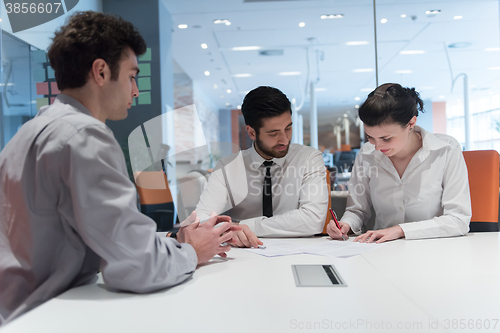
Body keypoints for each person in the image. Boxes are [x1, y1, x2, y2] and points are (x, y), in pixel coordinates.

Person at [0, 11, 239, 324]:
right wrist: (193, 251)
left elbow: (100, 237)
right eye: (131, 76)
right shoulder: (85, 136)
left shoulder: (29, 133)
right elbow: (135, 267)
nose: (136, 90)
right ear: (100, 72)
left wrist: (172, 242)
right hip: (50, 315)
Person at [327, 83, 471, 243]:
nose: (377, 146)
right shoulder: (366, 154)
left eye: (386, 138)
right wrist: (345, 224)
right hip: (382, 249)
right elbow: (357, 211)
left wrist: (399, 230)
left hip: (435, 246)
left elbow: (458, 220)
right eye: (370, 137)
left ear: (410, 124)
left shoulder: (446, 149)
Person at [195, 86, 329, 248]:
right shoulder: (227, 167)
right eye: (273, 133)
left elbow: (313, 220)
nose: (285, 140)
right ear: (252, 133)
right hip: (242, 254)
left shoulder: (309, 158)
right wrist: (227, 230)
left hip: (297, 250)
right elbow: (202, 219)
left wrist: (242, 226)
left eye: (288, 128)